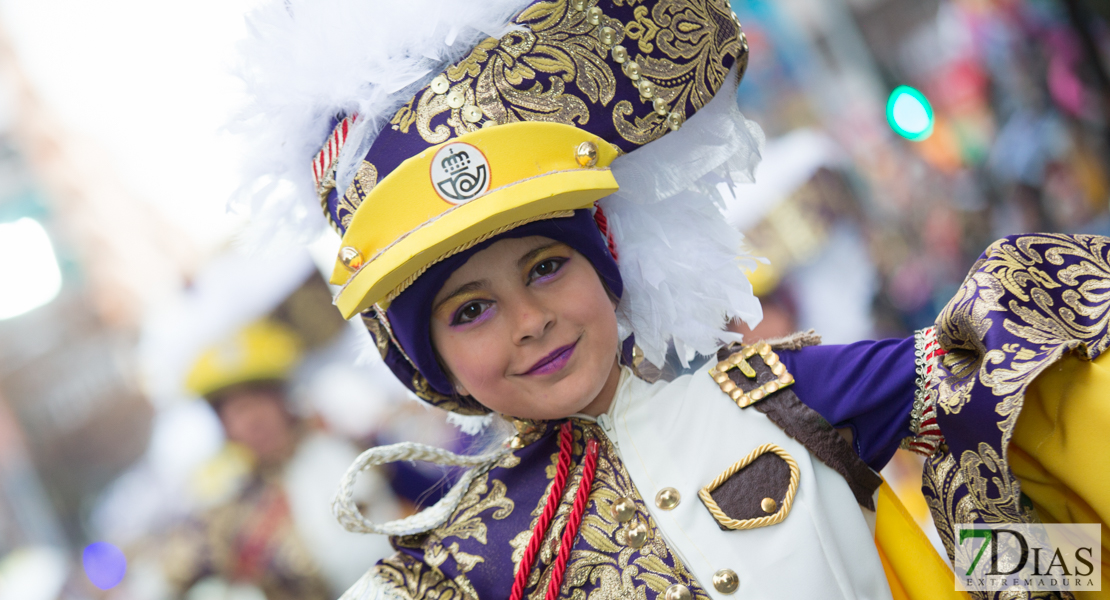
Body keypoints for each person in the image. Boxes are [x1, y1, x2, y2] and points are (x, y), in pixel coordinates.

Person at [236, 0, 1110, 598]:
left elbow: (1010, 390)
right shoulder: (455, 563)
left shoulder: (785, 400)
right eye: (470, 309)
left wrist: (1057, 569)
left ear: (608, 257)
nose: (531, 319)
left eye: (546, 266)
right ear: (423, 360)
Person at [161, 319, 401, 600]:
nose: (251, 421)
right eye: (236, 411)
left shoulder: (349, 449)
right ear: (225, 428)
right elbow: (173, 576)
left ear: (283, 401)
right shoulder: (227, 509)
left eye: (258, 402)